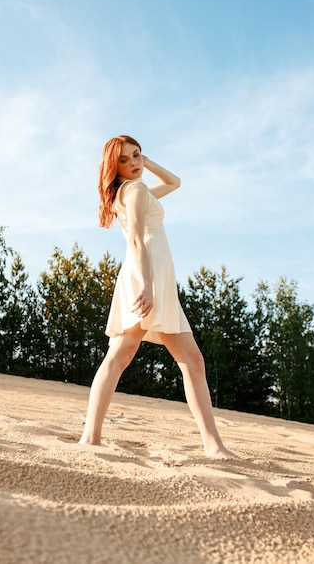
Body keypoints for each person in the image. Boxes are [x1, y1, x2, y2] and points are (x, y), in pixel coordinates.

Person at [79, 135, 238, 459]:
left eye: (136, 155)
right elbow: (137, 241)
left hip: (154, 276)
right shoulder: (135, 190)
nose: (134, 163)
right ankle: (212, 445)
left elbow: (174, 182)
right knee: (127, 355)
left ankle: (213, 445)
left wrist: (145, 163)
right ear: (113, 166)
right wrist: (147, 286)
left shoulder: (134, 190)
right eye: (125, 160)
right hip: (147, 276)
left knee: (177, 359)